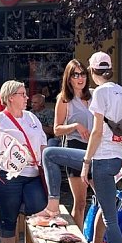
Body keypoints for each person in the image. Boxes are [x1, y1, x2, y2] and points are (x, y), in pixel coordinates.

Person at [42, 52, 122, 243]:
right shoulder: (120, 90)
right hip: (114, 157)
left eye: (84, 72)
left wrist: (87, 162)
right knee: (108, 215)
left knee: (49, 154)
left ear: (92, 71)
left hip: (100, 158)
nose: (81, 77)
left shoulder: (99, 93)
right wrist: (119, 131)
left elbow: (96, 132)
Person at [0, 80, 47, 243]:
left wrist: (46, 167)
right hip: (7, 175)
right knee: (8, 215)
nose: (27, 97)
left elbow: (43, 144)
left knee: (38, 207)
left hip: (32, 174)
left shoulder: (32, 118)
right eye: (22, 94)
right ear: (10, 97)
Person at [42, 59, 93, 228]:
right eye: (75, 75)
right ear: (69, 78)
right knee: (80, 202)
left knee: (105, 200)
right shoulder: (64, 99)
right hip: (75, 148)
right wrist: (75, 126)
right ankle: (78, 241)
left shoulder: (94, 95)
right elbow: (56, 129)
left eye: (83, 74)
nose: (80, 78)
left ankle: (97, 239)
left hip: (96, 149)